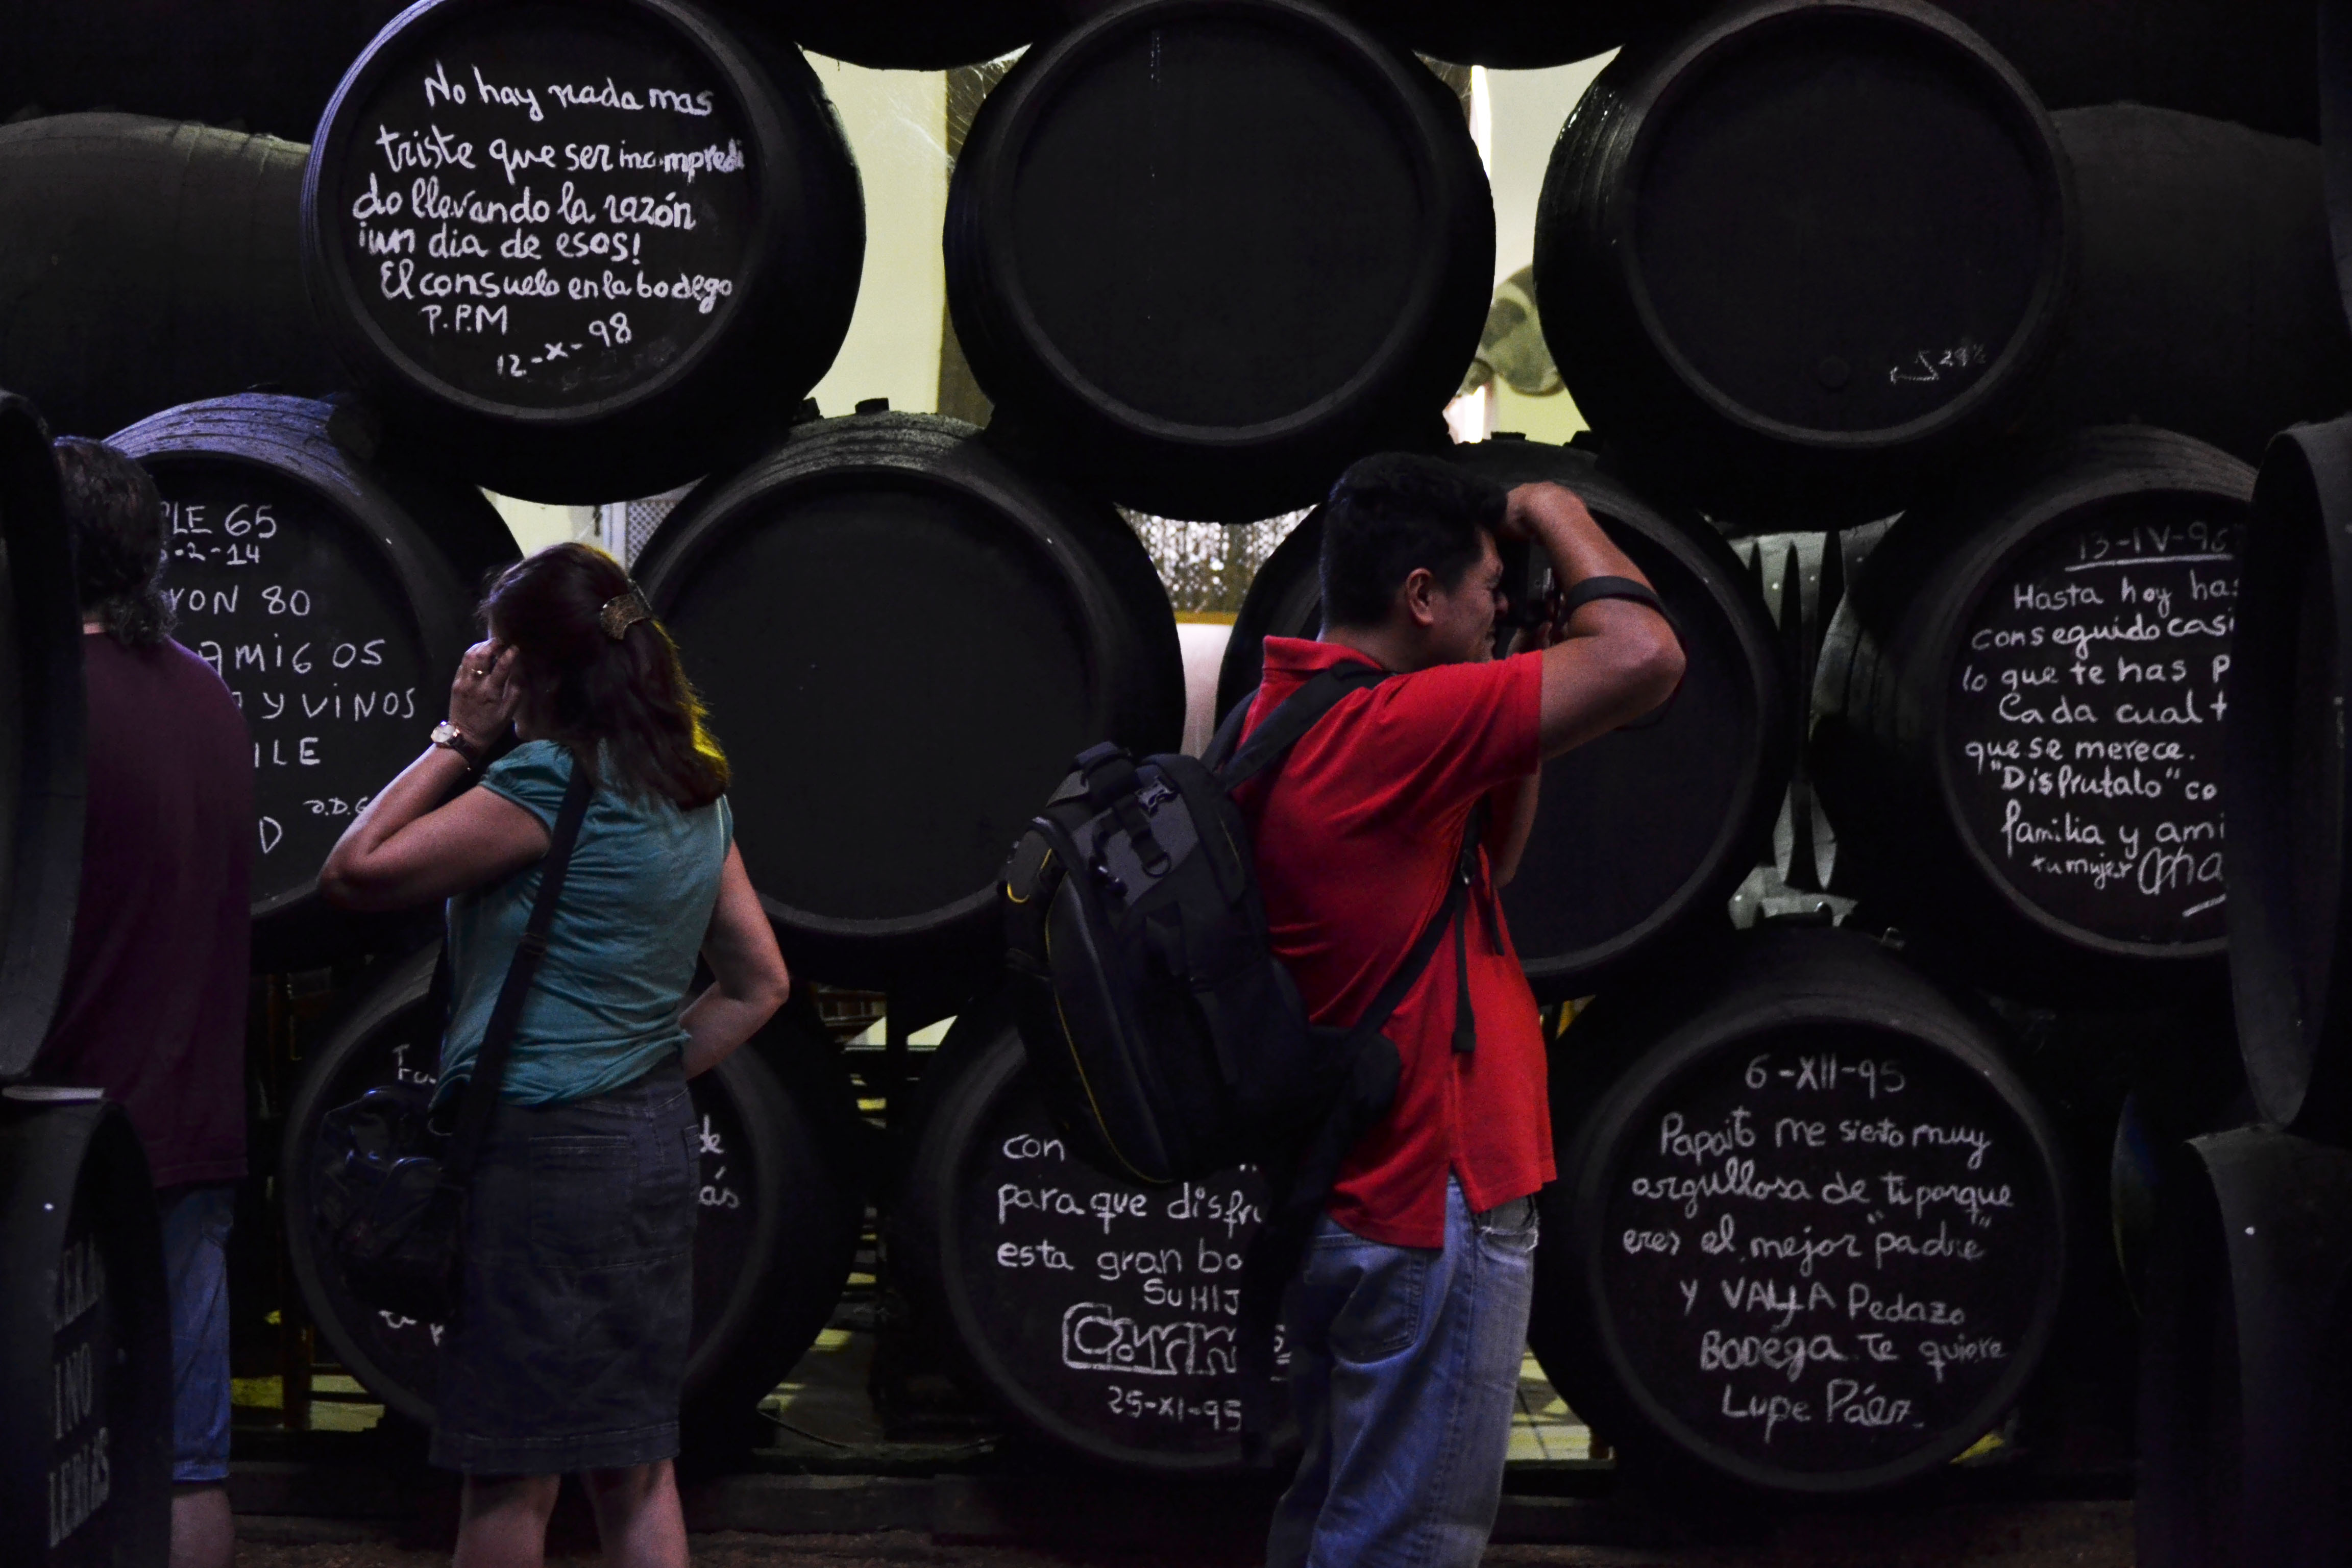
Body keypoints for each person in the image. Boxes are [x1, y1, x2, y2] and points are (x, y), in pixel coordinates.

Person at [1245, 454, 1683, 1568]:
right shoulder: (1394, 727)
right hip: (1428, 1196)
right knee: (1406, 1545)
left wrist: (1515, 684)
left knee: (1335, 1519)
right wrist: (1552, 505)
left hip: (1349, 1192)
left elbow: (1490, 867)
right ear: (1421, 596)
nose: (1501, 607)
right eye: (1490, 587)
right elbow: (1645, 655)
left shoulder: (1289, 710)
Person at [320, 542, 790, 1568]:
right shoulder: (691, 789)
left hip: (541, 1156)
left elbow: (354, 871)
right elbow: (760, 984)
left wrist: (457, 738)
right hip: (652, 1144)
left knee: (511, 1474)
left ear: (531, 668)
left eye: (496, 653)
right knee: (637, 1468)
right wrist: (639, 1072)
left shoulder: (544, 782)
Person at [32, 438, 254, 1568]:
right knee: (186, 1460)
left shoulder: (42, 705)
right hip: (188, 1126)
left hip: (52, 1147)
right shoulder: (208, 694)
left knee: (38, 1460)